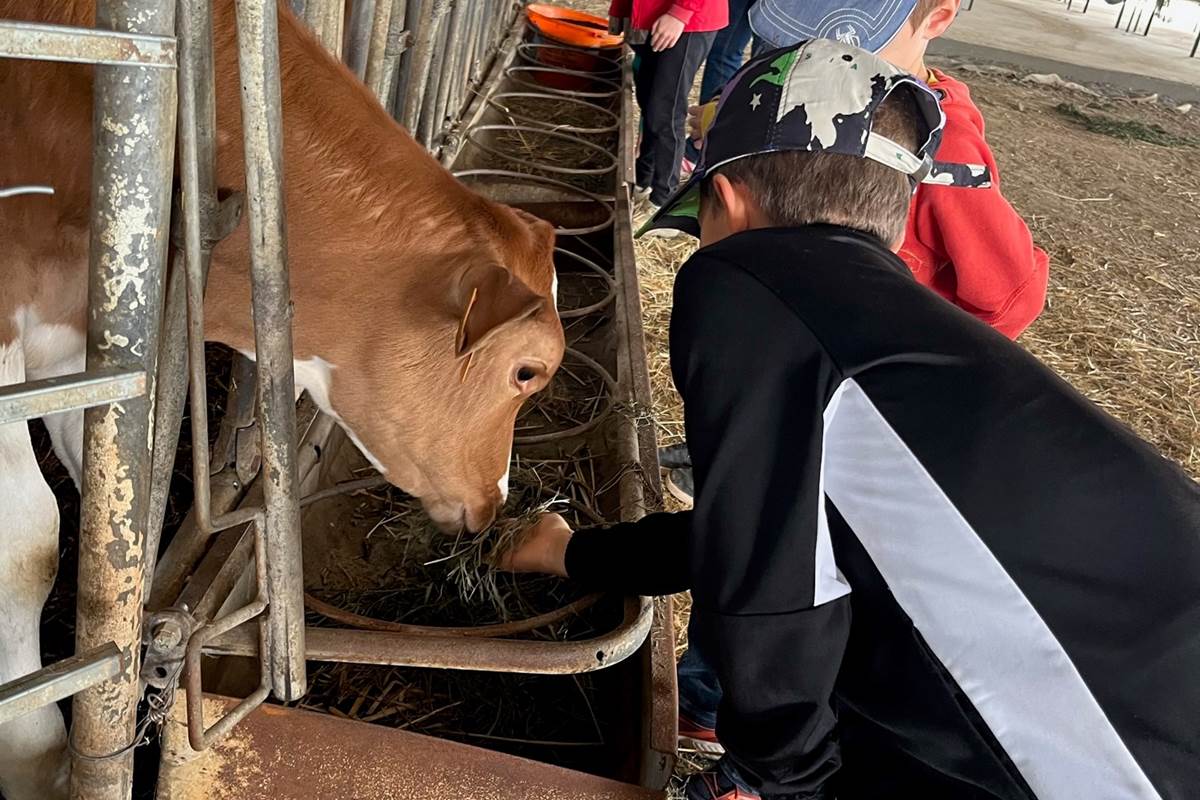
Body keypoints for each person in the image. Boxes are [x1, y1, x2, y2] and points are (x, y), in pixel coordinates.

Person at [502, 40, 1200, 800]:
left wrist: (781, 782)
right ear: (896, 226)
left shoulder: (749, 285)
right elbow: (769, 533)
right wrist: (573, 554)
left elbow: (770, 595)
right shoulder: (905, 347)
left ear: (725, 199)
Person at [666, 0, 1049, 498]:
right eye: (802, 35)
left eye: (846, 42)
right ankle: (719, 453)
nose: (817, 57)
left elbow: (1012, 290)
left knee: (809, 456)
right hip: (808, 317)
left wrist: (931, 352)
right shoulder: (836, 98)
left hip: (871, 357)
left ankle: (753, 475)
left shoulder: (940, 150)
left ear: (935, 19)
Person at [610, 0, 727, 227]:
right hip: (652, 12)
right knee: (650, 103)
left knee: (665, 111)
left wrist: (681, 12)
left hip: (686, 20)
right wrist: (621, 8)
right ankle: (643, 181)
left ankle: (663, 201)